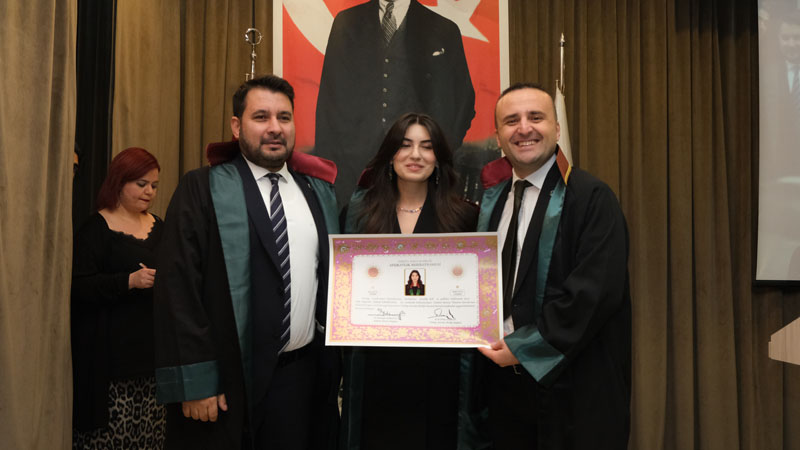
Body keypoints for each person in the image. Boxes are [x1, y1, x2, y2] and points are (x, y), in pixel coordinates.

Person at [153, 75, 340, 450]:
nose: (275, 128)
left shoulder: (318, 193)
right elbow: (177, 288)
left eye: (284, 117)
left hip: (297, 380)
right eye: (261, 117)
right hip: (225, 383)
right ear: (236, 126)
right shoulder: (202, 188)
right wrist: (197, 382)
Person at [470, 83, 631, 449]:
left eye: (535, 117)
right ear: (498, 137)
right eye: (511, 121)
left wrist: (525, 347)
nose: (524, 128)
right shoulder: (492, 204)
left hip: (572, 389)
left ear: (557, 129)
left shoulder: (590, 198)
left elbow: (594, 294)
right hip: (504, 391)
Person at [341, 112, 477, 450]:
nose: (415, 155)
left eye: (427, 147)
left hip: (440, 373)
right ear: (390, 155)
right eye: (405, 145)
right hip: (377, 369)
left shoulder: (465, 218)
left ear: (438, 158)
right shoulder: (359, 216)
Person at [315, 0, 476, 207]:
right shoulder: (347, 23)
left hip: (424, 181)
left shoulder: (444, 29)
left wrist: (439, 152)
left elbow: (464, 102)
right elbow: (329, 100)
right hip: (354, 176)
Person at [71, 147, 166, 449]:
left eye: (154, 186)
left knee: (150, 438)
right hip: (109, 363)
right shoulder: (95, 229)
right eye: (141, 184)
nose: (149, 192)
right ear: (119, 182)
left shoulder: (160, 226)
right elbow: (78, 287)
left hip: (152, 358)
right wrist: (129, 281)